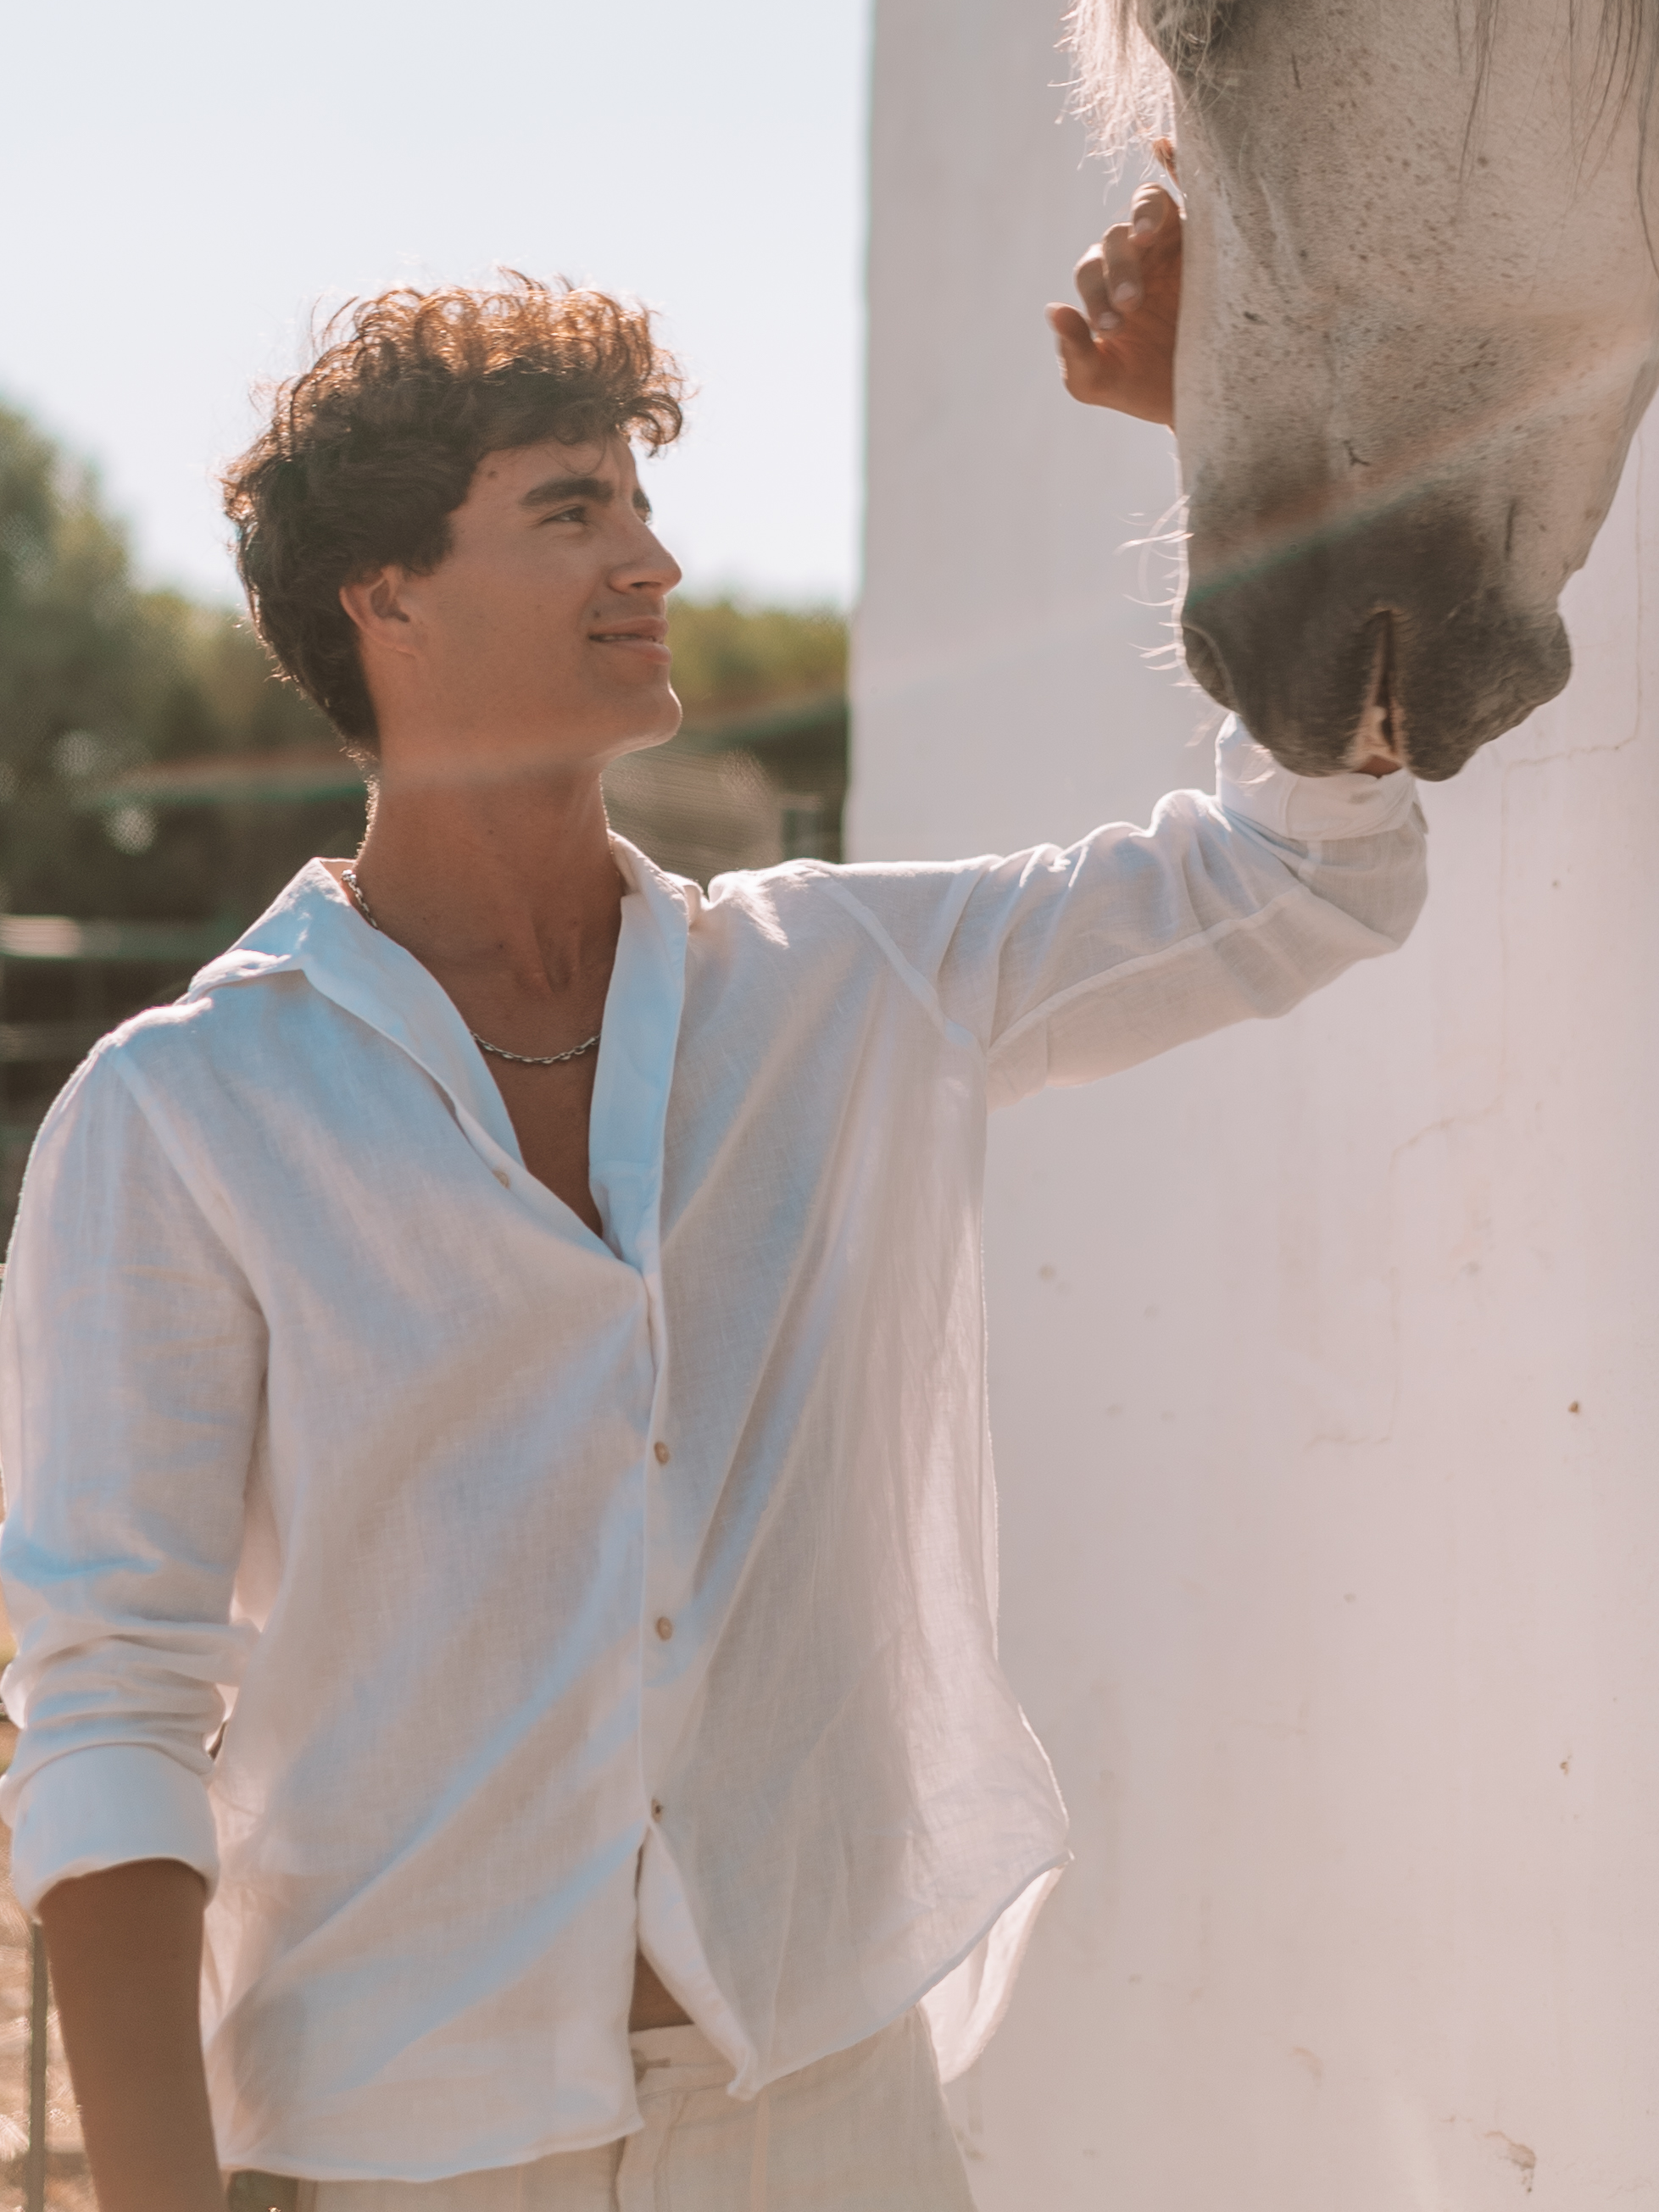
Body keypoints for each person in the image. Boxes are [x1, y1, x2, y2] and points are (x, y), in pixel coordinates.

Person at [0, 182, 1424, 2211]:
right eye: (571, 507)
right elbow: (113, 1708)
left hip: (832, 2120)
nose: (652, 558)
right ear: (384, 597)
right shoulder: (187, 1120)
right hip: (405, 2153)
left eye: (641, 503)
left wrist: (1247, 438)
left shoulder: (841, 987)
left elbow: (1299, 878)